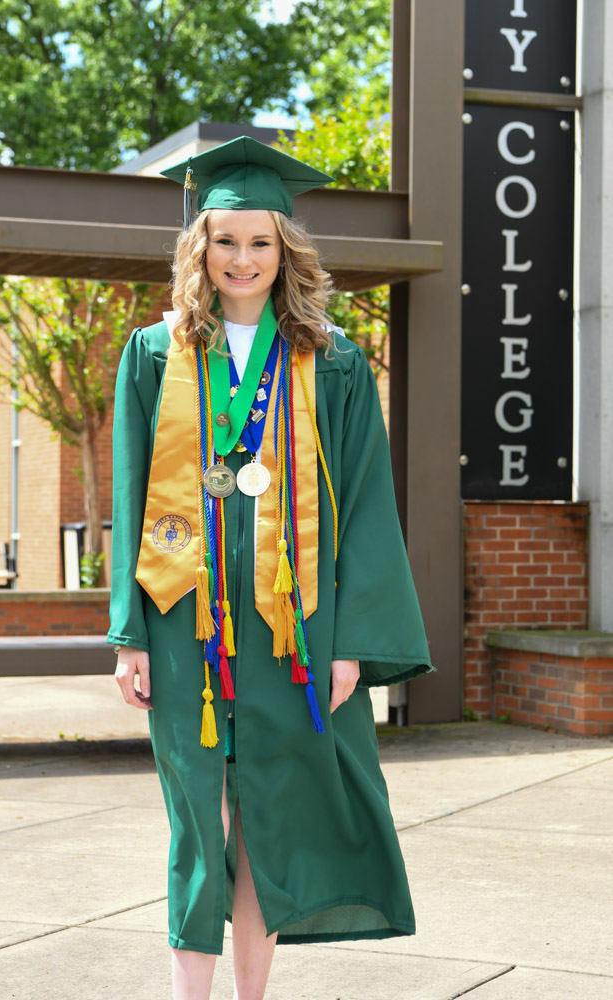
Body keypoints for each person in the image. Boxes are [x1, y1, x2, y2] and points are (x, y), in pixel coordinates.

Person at [108, 135, 435, 1000]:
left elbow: (366, 509)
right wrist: (127, 633)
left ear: (285, 248)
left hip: (295, 627)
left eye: (260, 242)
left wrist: (352, 644)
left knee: (265, 824)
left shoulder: (333, 361)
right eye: (225, 241)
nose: (242, 259)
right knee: (198, 821)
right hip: (183, 625)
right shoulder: (154, 353)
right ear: (200, 248)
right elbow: (133, 495)